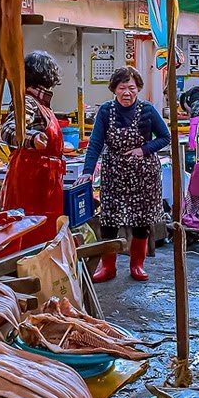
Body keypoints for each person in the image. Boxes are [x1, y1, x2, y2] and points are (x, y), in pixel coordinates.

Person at [82, 67, 172, 282]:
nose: (127, 92)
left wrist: (143, 150)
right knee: (109, 221)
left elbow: (165, 137)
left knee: (140, 221)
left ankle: (137, 265)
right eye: (122, 88)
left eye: (131, 88)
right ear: (114, 89)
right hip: (114, 173)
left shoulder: (148, 110)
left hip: (143, 174)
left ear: (138, 89)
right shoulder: (105, 111)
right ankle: (108, 268)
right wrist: (87, 172)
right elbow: (95, 144)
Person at [0, 51, 67, 247]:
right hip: (31, 180)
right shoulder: (28, 102)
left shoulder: (41, 103)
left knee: (44, 230)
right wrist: (32, 139)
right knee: (28, 230)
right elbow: (8, 130)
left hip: (47, 180)